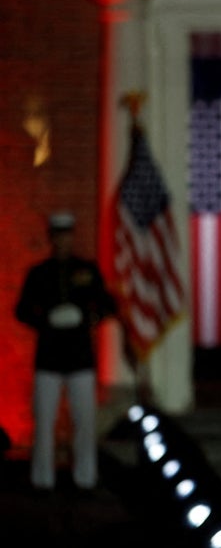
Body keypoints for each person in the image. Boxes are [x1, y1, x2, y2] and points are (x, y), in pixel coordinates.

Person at [15, 211, 118, 494]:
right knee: (44, 421)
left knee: (84, 421)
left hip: (79, 357)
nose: (63, 240)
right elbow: (21, 310)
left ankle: (86, 478)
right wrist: (45, 319)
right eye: (58, 235)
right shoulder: (39, 273)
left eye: (67, 235)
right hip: (48, 358)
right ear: (52, 238)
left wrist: (88, 318)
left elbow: (108, 304)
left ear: (72, 237)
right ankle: (42, 479)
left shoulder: (87, 269)